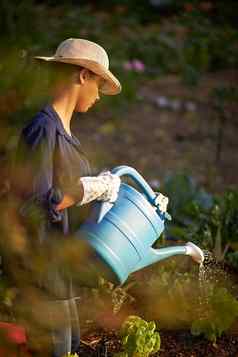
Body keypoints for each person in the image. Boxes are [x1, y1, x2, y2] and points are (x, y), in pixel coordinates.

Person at [11, 38, 122, 357]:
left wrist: (103, 193)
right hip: (43, 270)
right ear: (83, 75)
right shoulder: (43, 129)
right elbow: (32, 206)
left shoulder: (65, 134)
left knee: (71, 348)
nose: (99, 95)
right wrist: (83, 190)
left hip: (62, 269)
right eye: (99, 83)